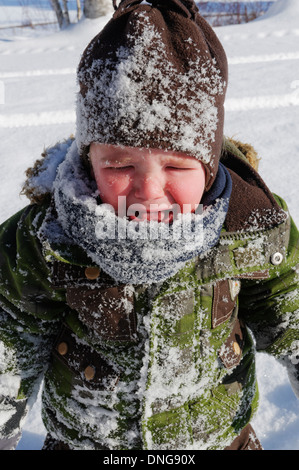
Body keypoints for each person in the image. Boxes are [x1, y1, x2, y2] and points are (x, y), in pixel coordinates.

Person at [0, 0, 299, 451]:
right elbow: (9, 335)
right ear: (88, 160)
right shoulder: (48, 239)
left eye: (178, 168)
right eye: (120, 163)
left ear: (210, 164)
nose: (149, 192)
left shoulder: (250, 228)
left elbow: (290, 308)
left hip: (218, 441)